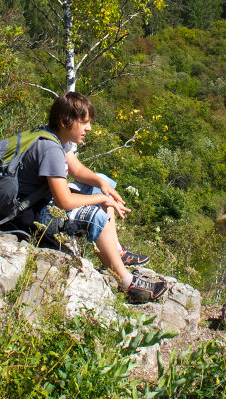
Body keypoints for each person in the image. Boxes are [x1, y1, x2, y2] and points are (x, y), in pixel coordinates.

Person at [14, 91, 167, 303]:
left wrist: (102, 185)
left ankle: (115, 252)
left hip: (37, 201)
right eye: (84, 122)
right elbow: (64, 202)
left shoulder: (56, 137)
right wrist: (102, 200)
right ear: (65, 121)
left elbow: (76, 171)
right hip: (28, 214)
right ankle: (127, 283)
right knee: (95, 215)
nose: (89, 128)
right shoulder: (50, 149)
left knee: (100, 184)